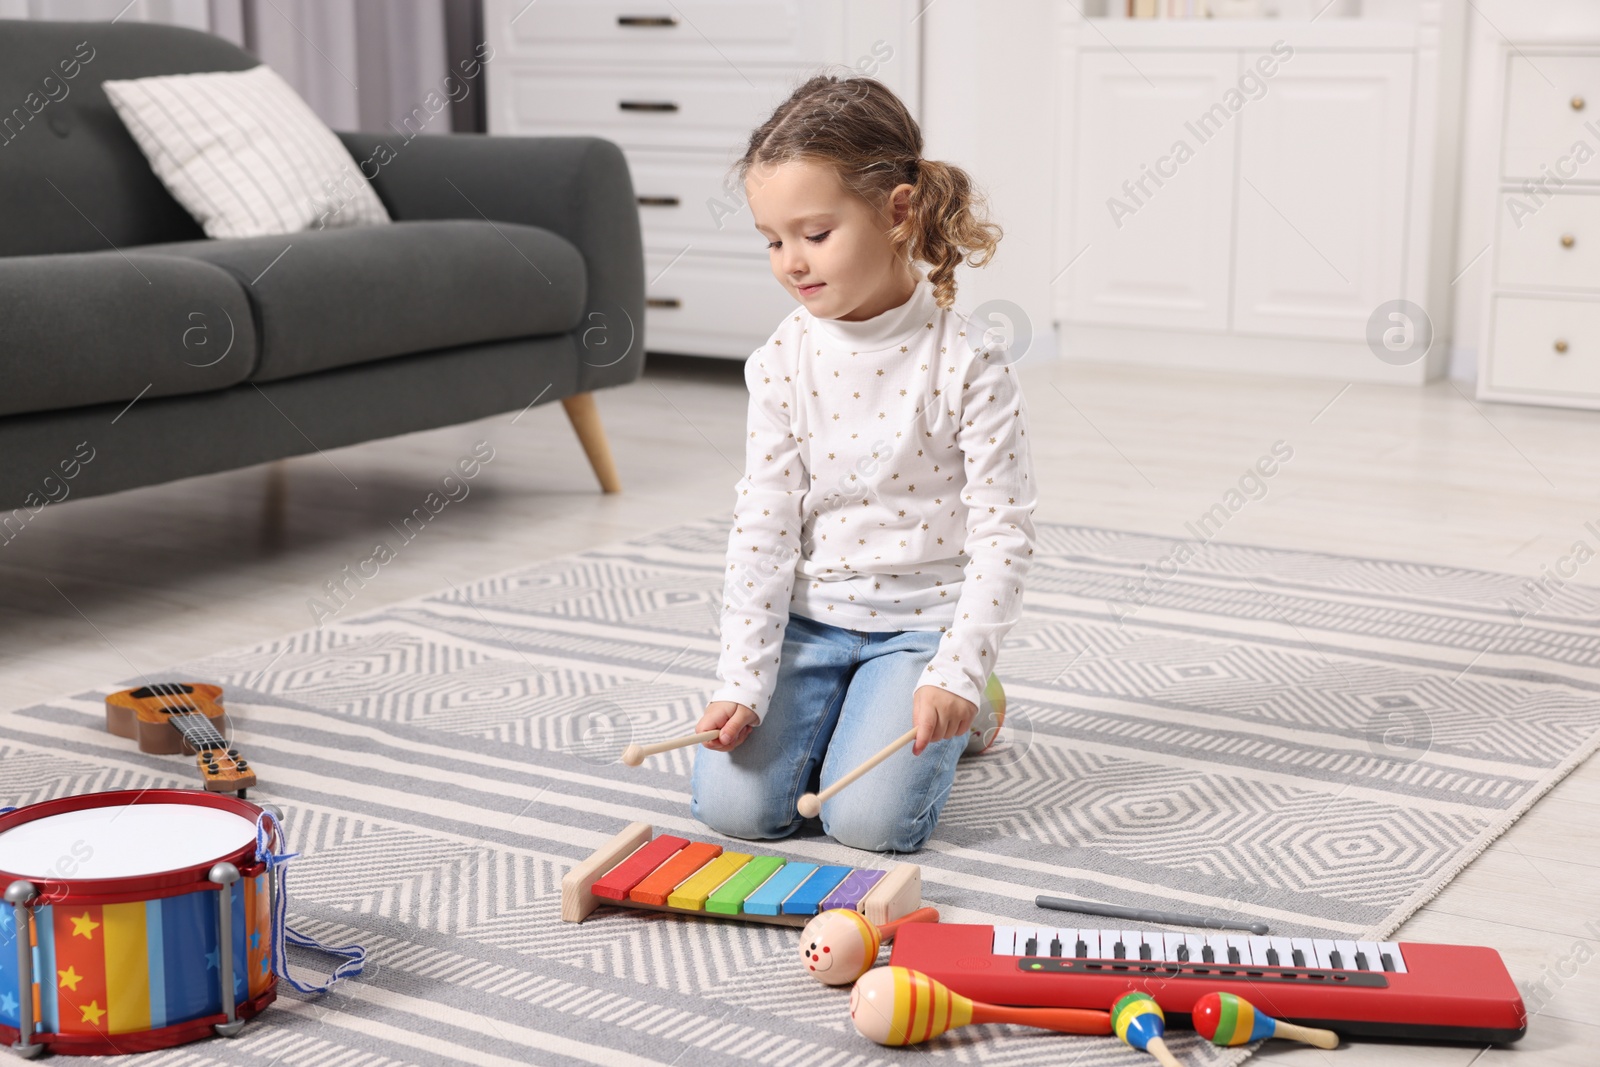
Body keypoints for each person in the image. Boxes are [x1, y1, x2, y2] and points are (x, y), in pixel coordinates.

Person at [690, 73, 1038, 853]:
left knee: (867, 823)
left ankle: (974, 703)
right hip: (813, 625)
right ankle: (848, 707)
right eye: (772, 239)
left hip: (922, 631)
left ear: (898, 209)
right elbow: (763, 529)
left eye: (814, 234)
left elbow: (1004, 535)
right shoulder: (780, 362)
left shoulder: (969, 361)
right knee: (735, 810)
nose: (791, 262)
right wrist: (743, 683)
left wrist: (953, 670)